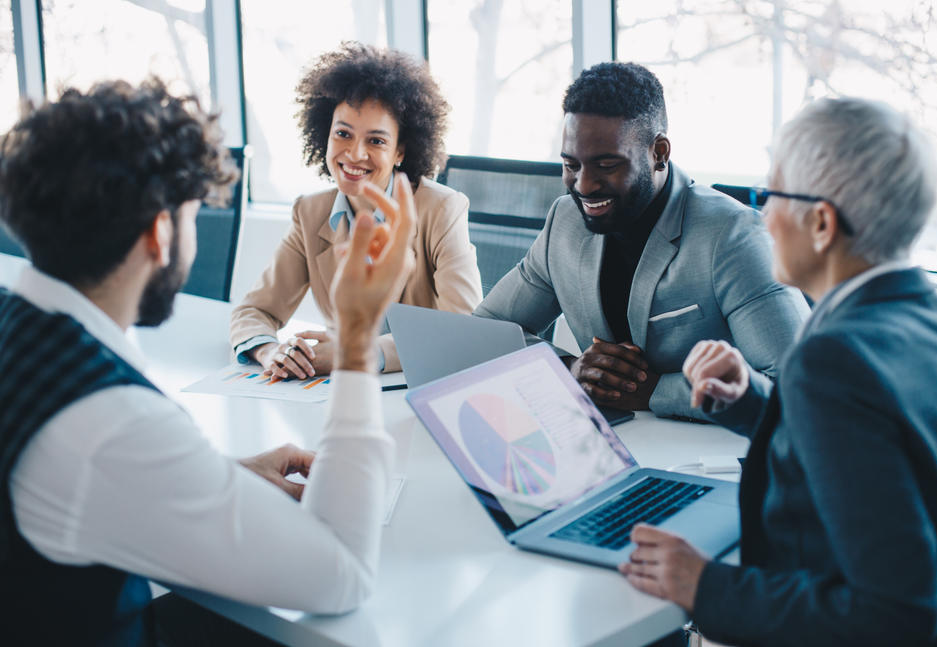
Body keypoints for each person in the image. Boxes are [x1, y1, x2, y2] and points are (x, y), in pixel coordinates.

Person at [0, 79, 418, 645]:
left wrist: (215, 478)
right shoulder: (111, 423)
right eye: (195, 215)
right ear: (161, 232)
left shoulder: (17, 323)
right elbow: (340, 573)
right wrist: (358, 334)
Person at [621, 98, 937, 646]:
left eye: (772, 195)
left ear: (822, 222)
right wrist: (753, 402)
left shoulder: (833, 361)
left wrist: (705, 586)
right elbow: (887, 450)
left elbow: (894, 614)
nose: (762, 215)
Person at [473, 62, 808, 420]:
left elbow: (800, 385)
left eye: (606, 165)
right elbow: (485, 333)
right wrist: (570, 371)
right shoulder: (565, 221)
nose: (584, 185)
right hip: (603, 445)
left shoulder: (731, 234)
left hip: (707, 452)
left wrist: (653, 392)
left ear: (659, 153)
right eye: (572, 165)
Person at [230, 42, 482, 379]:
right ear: (325, 136)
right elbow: (255, 310)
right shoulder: (310, 212)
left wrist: (356, 352)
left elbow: (461, 329)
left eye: (376, 141)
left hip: (417, 386)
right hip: (335, 389)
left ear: (400, 152)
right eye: (343, 134)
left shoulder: (442, 209)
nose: (355, 153)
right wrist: (270, 350)